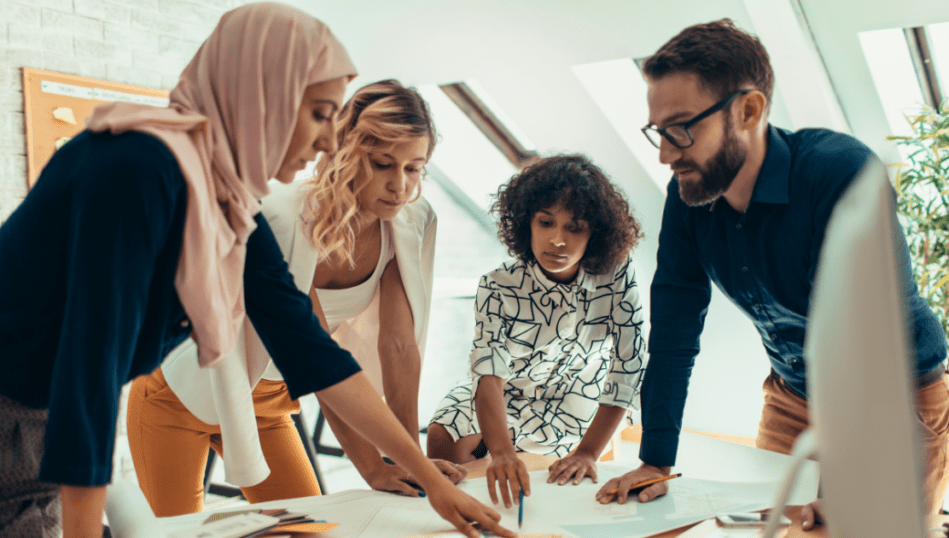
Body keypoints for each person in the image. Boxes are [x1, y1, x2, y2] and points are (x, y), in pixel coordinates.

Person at [0, 5, 512, 538]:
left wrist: (432, 481)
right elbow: (89, 369)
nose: (326, 143)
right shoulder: (136, 170)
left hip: (40, 424)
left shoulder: (228, 205)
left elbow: (312, 351)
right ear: (259, 93)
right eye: (318, 114)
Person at [595, 19, 949, 529]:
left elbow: (871, 339)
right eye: (658, 131)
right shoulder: (688, 196)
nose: (664, 154)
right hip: (793, 395)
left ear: (748, 110)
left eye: (680, 128)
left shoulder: (839, 173)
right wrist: (655, 459)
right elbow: (674, 332)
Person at [127, 79, 463, 516]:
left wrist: (406, 460)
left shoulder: (411, 220)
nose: (400, 185)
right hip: (178, 396)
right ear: (346, 152)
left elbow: (399, 347)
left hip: (268, 403)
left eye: (414, 168)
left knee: (309, 528)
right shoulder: (283, 216)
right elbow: (317, 357)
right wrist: (381, 467)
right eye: (382, 164)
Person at [427, 154, 647, 509]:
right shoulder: (497, 286)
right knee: (443, 437)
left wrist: (590, 452)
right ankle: (472, 518)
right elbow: (489, 375)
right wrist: (499, 452)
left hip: (579, 395)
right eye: (546, 223)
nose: (557, 240)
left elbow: (629, 364)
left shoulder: (617, 274)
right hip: (509, 391)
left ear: (596, 232)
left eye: (574, 228)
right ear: (526, 222)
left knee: (559, 476)